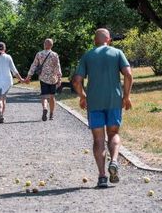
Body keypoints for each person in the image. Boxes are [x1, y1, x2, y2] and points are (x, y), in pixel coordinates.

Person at [72, 28, 133, 188]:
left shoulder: (88, 55)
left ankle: (102, 177)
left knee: (98, 139)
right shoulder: (117, 53)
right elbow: (128, 74)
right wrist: (126, 97)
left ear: (95, 41)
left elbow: (76, 80)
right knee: (113, 133)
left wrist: (83, 96)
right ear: (109, 40)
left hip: (94, 102)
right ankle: (113, 161)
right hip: (114, 101)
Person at [26, 38, 62, 121]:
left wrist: (29, 76)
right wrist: (59, 78)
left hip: (43, 78)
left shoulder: (39, 54)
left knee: (44, 96)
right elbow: (58, 67)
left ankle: (45, 108)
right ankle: (51, 115)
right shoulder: (54, 55)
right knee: (52, 97)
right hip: (53, 79)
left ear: (44, 45)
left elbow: (34, 65)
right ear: (52, 45)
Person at [0, 42, 24, 123]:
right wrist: (21, 79)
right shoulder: (8, 57)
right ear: (5, 48)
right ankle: (2, 115)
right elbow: (14, 71)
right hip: (7, 81)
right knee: (3, 98)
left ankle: (0, 114)